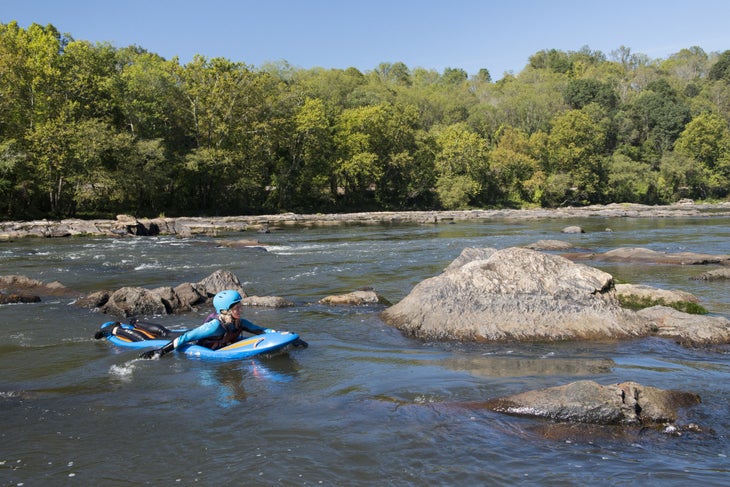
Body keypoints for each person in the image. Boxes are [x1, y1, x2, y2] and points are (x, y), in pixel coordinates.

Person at [139, 289, 307, 359]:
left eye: (240, 306)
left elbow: (261, 330)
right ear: (225, 310)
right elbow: (186, 337)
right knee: (162, 333)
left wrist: (286, 337)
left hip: (205, 338)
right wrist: (161, 351)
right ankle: (131, 324)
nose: (240, 309)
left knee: (163, 331)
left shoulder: (239, 321)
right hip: (188, 341)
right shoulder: (214, 326)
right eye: (237, 307)